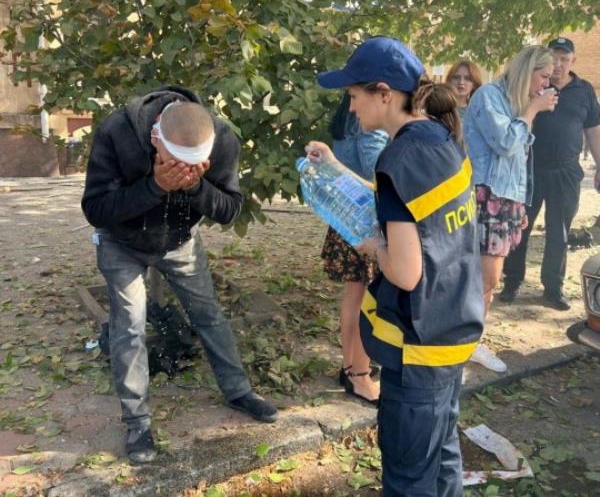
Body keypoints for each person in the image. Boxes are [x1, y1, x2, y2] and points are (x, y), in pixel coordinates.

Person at [307, 36, 484, 496]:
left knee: (408, 481)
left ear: (383, 93)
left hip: (417, 347)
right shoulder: (441, 138)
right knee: (442, 458)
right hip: (452, 330)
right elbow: (409, 214)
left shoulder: (398, 158)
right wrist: (334, 170)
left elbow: (404, 271)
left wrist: (369, 246)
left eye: (354, 96)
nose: (351, 109)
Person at [81, 86, 278, 465]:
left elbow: (228, 210)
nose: (186, 169)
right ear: (156, 137)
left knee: (208, 314)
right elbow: (97, 209)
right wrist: (155, 187)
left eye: (195, 165)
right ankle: (138, 423)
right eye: (176, 161)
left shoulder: (220, 138)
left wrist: (195, 187)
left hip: (180, 241)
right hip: (122, 243)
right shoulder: (116, 132)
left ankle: (239, 391)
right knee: (129, 328)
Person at [463, 46, 558, 372]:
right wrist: (532, 110)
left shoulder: (513, 102)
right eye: (543, 76)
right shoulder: (490, 95)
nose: (546, 84)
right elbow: (505, 142)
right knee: (483, 279)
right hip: (486, 196)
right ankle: (463, 343)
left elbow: (518, 155)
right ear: (527, 70)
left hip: (506, 198)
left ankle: (469, 341)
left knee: (487, 280)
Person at [500, 37, 600, 310]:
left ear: (573, 61)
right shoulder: (535, 86)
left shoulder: (584, 91)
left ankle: (553, 289)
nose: (558, 65)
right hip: (531, 169)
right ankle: (512, 282)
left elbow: (593, 130)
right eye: (553, 58)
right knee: (521, 227)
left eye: (564, 59)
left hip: (567, 172)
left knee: (559, 232)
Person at [323, 92, 388, 405]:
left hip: (347, 217)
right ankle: (359, 375)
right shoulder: (370, 126)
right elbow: (380, 175)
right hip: (365, 223)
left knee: (355, 295)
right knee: (367, 300)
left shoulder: (347, 118)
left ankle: (351, 366)